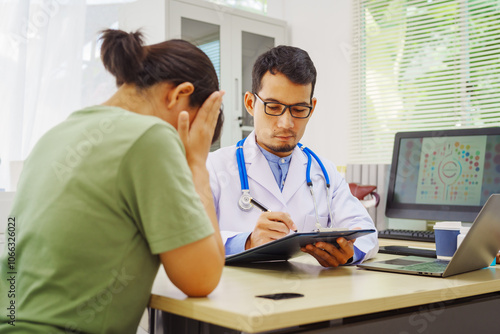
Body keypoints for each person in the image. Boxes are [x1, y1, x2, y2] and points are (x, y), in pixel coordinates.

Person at [0, 29, 225, 333]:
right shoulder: (152, 136)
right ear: (178, 94)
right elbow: (202, 278)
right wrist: (196, 163)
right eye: (199, 124)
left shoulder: (55, 135)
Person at [207, 45, 378, 267]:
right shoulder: (213, 166)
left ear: (312, 107)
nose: (286, 123)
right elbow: (188, 239)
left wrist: (350, 252)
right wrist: (247, 242)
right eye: (274, 107)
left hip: (307, 296)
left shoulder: (325, 173)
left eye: (298, 110)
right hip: (236, 297)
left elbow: (366, 232)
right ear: (250, 103)